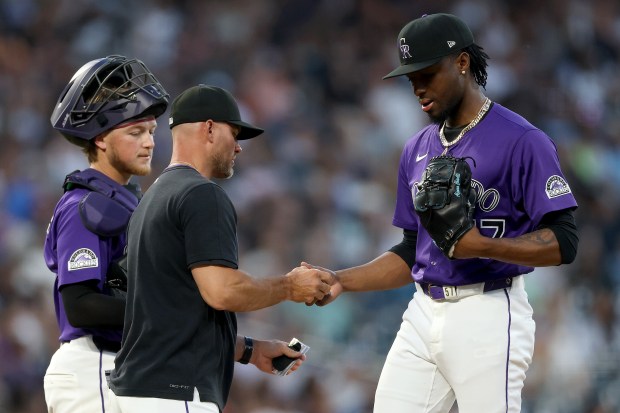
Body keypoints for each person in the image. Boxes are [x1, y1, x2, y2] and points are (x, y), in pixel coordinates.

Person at [309, 13, 579, 413]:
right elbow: (410, 250)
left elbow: (566, 241)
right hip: (422, 312)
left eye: (427, 73)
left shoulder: (522, 140)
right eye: (410, 77)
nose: (418, 87)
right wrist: (342, 280)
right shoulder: (415, 148)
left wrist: (482, 247)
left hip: (488, 311)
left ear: (462, 63)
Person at [108, 84, 334, 413]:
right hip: (177, 391)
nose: (239, 148)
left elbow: (164, 318)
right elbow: (222, 291)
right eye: (235, 133)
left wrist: (250, 351)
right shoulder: (201, 194)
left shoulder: (150, 200)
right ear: (210, 128)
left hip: (138, 390)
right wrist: (289, 285)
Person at [43, 55, 169, 413]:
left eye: (151, 132)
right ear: (100, 138)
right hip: (93, 368)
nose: (149, 143)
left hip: (121, 368)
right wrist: (165, 310)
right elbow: (80, 305)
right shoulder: (85, 206)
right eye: (135, 132)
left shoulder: (126, 202)